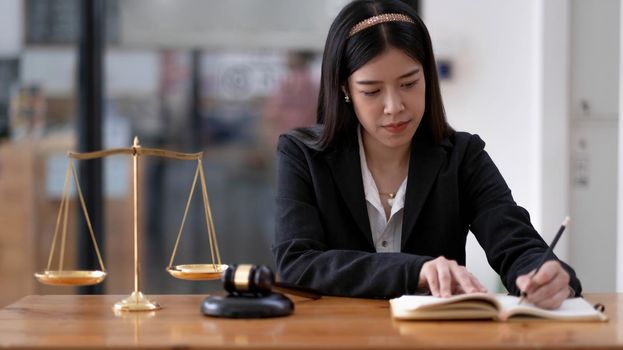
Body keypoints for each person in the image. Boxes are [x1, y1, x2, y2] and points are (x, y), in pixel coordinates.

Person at [272, 0, 581, 309]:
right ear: (345, 89)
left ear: (428, 77)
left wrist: (544, 276)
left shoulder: (463, 157)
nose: (394, 106)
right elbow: (298, 266)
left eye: (409, 83)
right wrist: (416, 270)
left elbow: (515, 243)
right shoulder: (303, 155)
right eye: (371, 91)